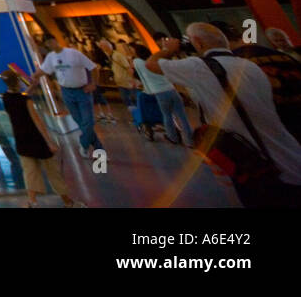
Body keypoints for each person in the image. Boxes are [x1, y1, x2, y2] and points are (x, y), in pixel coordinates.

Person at [145, 23, 301, 207]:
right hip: (287, 153)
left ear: (197, 42)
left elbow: (151, 64)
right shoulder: (249, 66)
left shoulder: (198, 67)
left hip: (251, 162)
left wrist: (168, 49)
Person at [2, 69, 83, 207]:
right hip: (37, 140)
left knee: (30, 173)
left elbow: (20, 98)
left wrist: (32, 87)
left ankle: (32, 202)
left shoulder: (6, 98)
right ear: (17, 81)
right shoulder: (26, 101)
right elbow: (37, 122)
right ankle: (67, 202)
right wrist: (49, 142)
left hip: (21, 140)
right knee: (53, 172)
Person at [34, 38, 102, 159]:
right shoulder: (51, 57)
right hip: (66, 91)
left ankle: (84, 143)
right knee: (80, 121)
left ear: (56, 41)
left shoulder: (74, 53)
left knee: (88, 121)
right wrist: (32, 77)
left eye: (51, 42)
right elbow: (43, 70)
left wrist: (93, 84)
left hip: (82, 90)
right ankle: (98, 148)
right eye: (47, 44)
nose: (50, 45)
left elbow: (93, 67)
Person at [132, 43, 193, 146]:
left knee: (167, 116)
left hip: (160, 93)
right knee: (182, 116)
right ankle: (190, 140)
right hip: (172, 90)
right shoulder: (157, 62)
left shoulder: (138, 62)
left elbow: (135, 65)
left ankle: (173, 138)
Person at [104, 39, 142, 130]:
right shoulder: (110, 56)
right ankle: (136, 118)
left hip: (127, 82)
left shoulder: (117, 55)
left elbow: (128, 68)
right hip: (120, 83)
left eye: (103, 46)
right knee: (127, 100)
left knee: (135, 100)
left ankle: (140, 118)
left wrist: (133, 80)